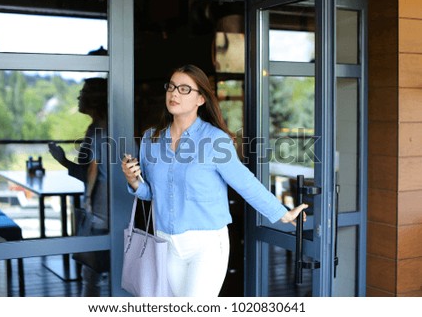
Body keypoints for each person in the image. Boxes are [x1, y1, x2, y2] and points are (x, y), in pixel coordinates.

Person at [121, 64, 307, 297]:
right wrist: (134, 181)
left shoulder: (214, 140)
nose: (174, 93)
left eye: (184, 89)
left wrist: (283, 213)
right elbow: (153, 193)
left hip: (206, 245)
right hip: (165, 243)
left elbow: (245, 183)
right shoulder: (151, 138)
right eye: (171, 87)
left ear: (200, 99)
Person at [48, 77, 109, 297]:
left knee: (93, 273)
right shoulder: (99, 127)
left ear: (94, 98)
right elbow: (89, 172)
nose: (78, 97)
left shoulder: (99, 131)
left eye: (82, 92)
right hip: (106, 209)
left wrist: (88, 204)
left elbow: (92, 172)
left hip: (101, 210)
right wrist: (63, 161)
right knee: (96, 272)